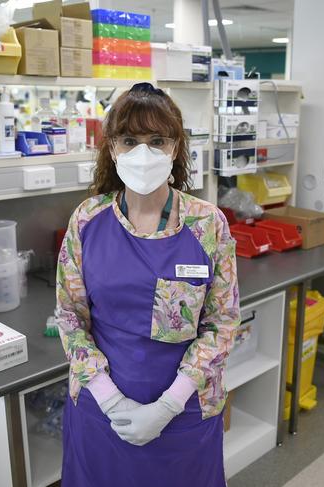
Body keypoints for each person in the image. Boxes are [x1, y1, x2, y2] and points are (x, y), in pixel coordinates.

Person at [55, 82, 240, 487]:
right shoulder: (87, 220)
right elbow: (70, 317)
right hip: (103, 415)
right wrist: (110, 398)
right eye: (129, 140)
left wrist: (167, 406)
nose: (143, 153)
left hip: (184, 414)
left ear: (175, 148)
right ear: (112, 147)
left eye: (157, 140)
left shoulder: (207, 224)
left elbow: (222, 323)